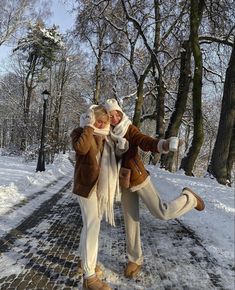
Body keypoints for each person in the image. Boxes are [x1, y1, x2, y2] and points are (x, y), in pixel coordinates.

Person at [104, 98, 205, 279]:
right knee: (130, 221)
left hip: (138, 178)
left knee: (161, 212)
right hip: (124, 182)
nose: (114, 118)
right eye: (110, 116)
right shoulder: (108, 134)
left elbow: (145, 141)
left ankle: (189, 197)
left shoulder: (129, 128)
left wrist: (163, 145)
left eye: (116, 114)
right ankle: (135, 259)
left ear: (120, 113)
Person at [71, 105, 118, 290]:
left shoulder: (104, 136)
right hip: (86, 187)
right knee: (93, 227)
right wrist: (90, 126)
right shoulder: (81, 132)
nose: (102, 124)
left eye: (104, 122)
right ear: (91, 117)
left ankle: (85, 263)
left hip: (99, 188)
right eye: (99, 120)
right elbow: (81, 149)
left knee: (90, 226)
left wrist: (120, 146)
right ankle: (89, 277)